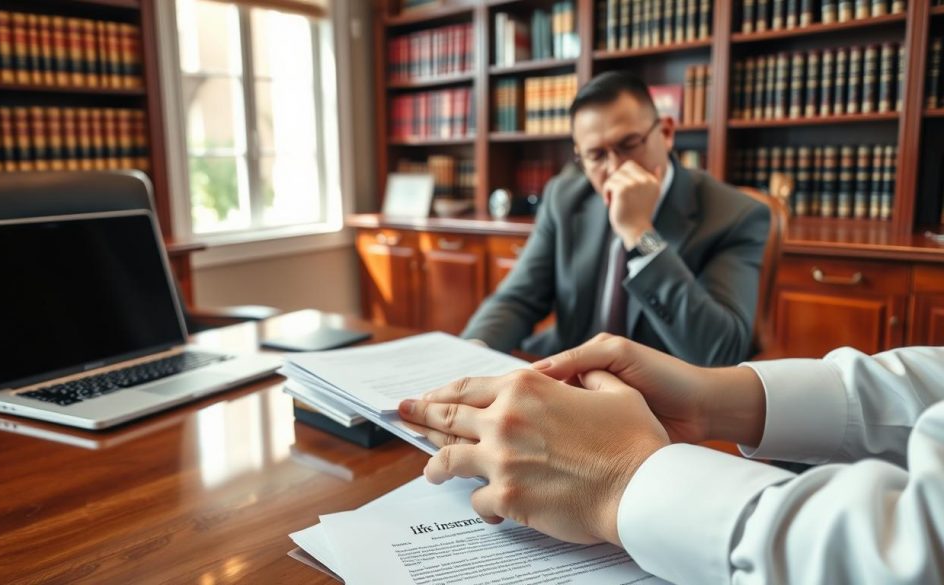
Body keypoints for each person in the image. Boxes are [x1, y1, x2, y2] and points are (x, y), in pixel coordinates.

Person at [398, 335, 944, 584]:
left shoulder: (730, 211)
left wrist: (620, 478)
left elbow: (911, 553)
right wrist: (709, 400)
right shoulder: (567, 200)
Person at [462, 71, 770, 366]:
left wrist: (640, 232)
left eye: (628, 145)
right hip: (571, 379)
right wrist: (471, 352)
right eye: (596, 155)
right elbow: (517, 299)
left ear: (665, 133)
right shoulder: (566, 196)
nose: (615, 168)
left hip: (660, 402)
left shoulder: (735, 215)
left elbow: (720, 352)